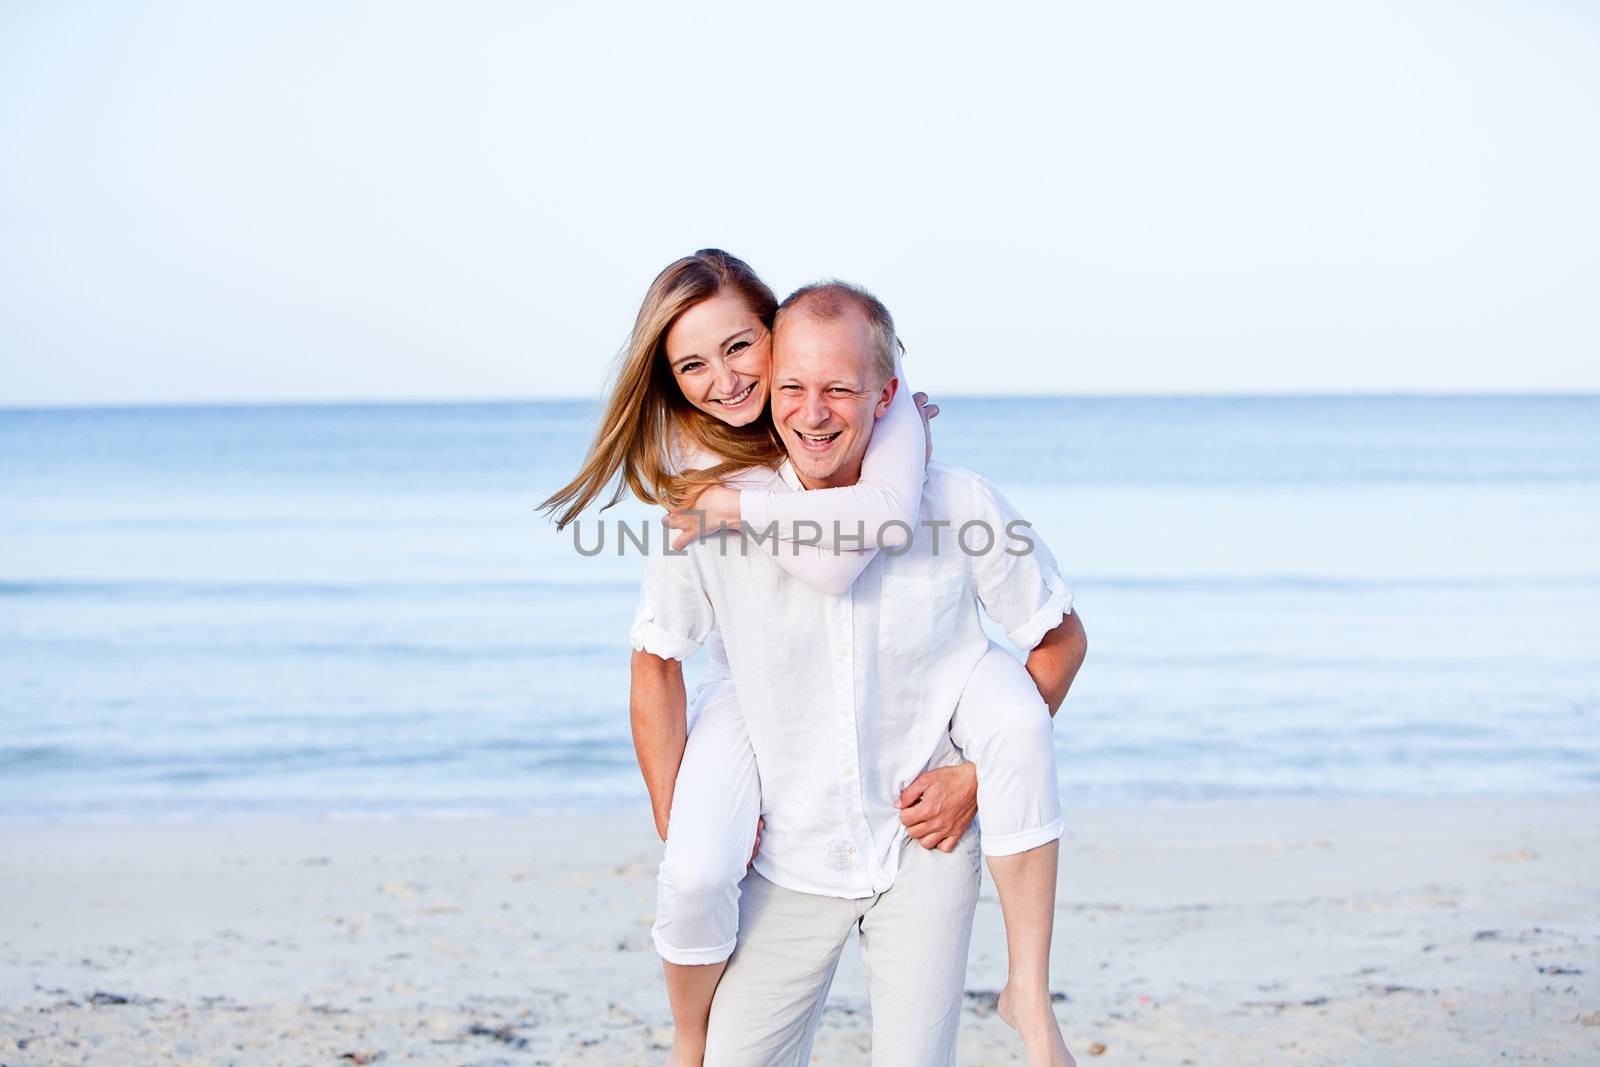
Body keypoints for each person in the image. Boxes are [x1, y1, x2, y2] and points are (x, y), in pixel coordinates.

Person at [541, 253, 1085, 1066]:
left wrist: (977, 777)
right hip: (788, 856)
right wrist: (687, 831)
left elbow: (1060, 638)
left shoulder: (955, 500)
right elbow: (655, 663)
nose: (808, 408)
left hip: (920, 848)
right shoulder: (703, 508)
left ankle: (1028, 997)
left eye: (836, 388)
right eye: (794, 387)